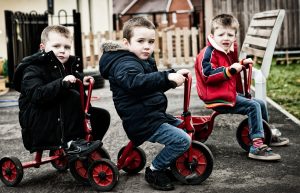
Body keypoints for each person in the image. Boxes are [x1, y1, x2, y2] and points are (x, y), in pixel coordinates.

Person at [99, 17, 191, 191]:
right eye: (140, 41)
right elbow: (136, 82)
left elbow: (151, 84)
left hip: (152, 114)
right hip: (141, 120)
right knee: (182, 140)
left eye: (151, 41)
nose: (147, 46)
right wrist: (167, 78)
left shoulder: (142, 60)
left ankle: (172, 163)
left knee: (185, 127)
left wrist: (173, 75)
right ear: (126, 43)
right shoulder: (124, 64)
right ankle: (155, 169)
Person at [194, 14, 289, 161]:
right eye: (221, 34)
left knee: (261, 103)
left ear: (235, 36)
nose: (226, 38)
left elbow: (232, 66)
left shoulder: (226, 50)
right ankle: (257, 146)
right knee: (252, 106)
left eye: (230, 34)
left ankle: (265, 134)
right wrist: (229, 70)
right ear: (212, 35)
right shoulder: (208, 53)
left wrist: (242, 64)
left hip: (227, 93)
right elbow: (207, 75)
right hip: (216, 97)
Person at [14, 25, 110, 160]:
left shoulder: (65, 66)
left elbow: (73, 77)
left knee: (101, 116)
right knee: (72, 97)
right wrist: (61, 83)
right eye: (56, 46)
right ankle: (72, 143)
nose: (62, 51)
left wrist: (82, 80)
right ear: (43, 47)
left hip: (58, 117)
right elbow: (37, 94)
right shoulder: (32, 69)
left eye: (66, 47)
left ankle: (86, 144)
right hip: (39, 122)